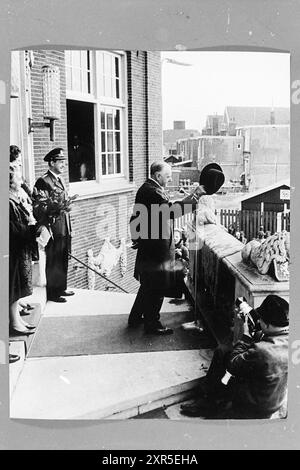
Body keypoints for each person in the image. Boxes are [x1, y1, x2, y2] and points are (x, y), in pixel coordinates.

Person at [128, 162, 224, 335]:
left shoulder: (147, 188)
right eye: (168, 175)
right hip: (157, 248)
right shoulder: (154, 192)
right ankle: (153, 324)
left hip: (150, 245)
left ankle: (135, 318)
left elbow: (137, 217)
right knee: (156, 284)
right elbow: (171, 211)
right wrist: (195, 196)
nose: (171, 178)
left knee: (148, 284)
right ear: (158, 176)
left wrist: (137, 238)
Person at [180, 294, 289, 419]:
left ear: (268, 325)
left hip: (255, 405)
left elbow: (233, 363)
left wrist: (246, 336)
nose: (258, 321)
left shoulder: (262, 350)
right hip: (273, 398)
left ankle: (212, 401)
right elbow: (269, 343)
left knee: (227, 362)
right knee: (223, 352)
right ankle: (210, 398)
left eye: (261, 320)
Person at [33, 148, 74, 303]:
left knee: (63, 257)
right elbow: (38, 206)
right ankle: (52, 293)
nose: (63, 164)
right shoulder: (43, 181)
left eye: (64, 161)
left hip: (63, 226)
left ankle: (61, 287)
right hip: (53, 227)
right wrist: (49, 215)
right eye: (60, 161)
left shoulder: (60, 179)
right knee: (53, 260)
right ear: (51, 162)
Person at [9, 162, 37, 336]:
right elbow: (12, 228)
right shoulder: (8, 199)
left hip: (19, 249)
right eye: (18, 177)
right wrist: (32, 229)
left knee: (17, 286)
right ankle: (14, 322)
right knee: (12, 288)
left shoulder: (15, 195)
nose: (21, 180)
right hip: (12, 250)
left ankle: (17, 320)